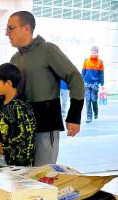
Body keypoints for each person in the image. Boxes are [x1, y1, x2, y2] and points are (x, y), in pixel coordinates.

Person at [6, 11, 84, 166]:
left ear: (27, 28)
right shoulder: (14, 59)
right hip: (22, 126)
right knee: (21, 176)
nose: (7, 33)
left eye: (11, 28)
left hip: (46, 123)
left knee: (43, 174)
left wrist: (74, 116)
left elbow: (75, 78)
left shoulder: (48, 50)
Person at [0, 63, 36, 166]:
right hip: (5, 158)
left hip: (21, 162)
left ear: (8, 83)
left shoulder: (20, 105)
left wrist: (5, 145)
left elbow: (26, 134)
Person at [82, 46, 104, 123]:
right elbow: (83, 72)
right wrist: (82, 80)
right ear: (91, 51)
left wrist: (102, 83)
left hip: (95, 83)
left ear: (97, 52)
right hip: (87, 83)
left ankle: (96, 111)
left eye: (95, 51)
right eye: (93, 50)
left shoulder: (100, 62)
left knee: (94, 100)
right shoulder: (86, 61)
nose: (94, 52)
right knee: (88, 100)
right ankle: (89, 117)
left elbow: (101, 73)